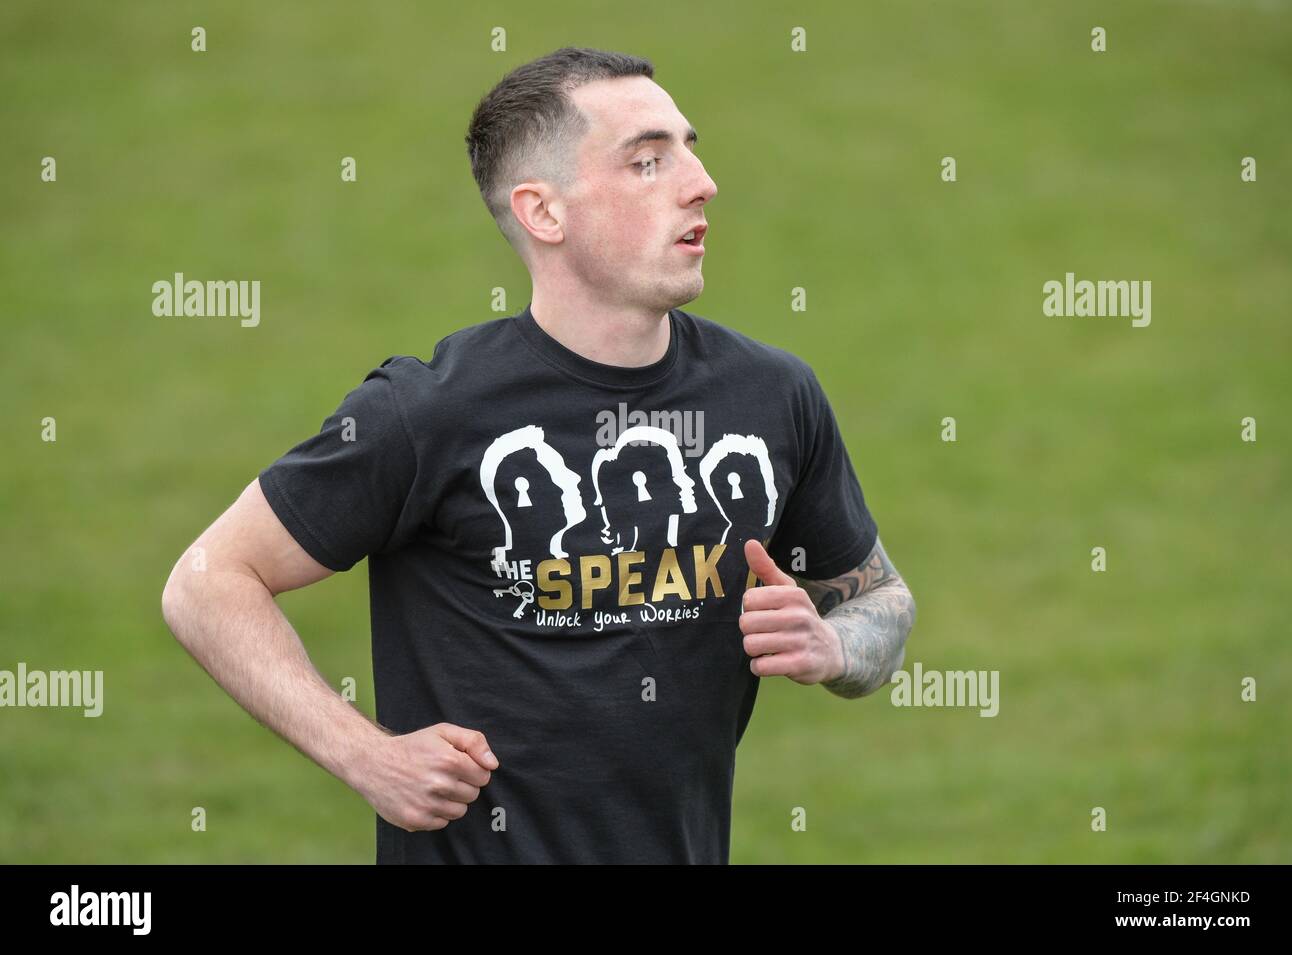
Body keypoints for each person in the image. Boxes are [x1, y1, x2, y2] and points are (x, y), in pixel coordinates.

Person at [160, 46, 917, 864]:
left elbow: (882, 599)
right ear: (543, 213)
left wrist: (835, 646)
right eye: (648, 161)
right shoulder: (429, 413)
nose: (701, 183)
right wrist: (366, 755)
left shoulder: (772, 396)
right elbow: (206, 583)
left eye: (691, 150)